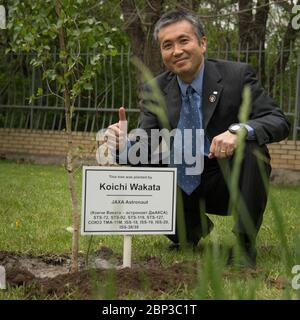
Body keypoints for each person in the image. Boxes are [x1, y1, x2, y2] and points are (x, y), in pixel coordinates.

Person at [105, 9, 290, 267]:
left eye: (184, 41)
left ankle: (244, 246)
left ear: (202, 43)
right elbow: (146, 145)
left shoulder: (237, 76)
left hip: (225, 177)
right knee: (144, 161)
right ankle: (189, 233)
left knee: (253, 150)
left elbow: (278, 120)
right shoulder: (155, 89)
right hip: (182, 174)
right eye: (167, 45)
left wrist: (239, 131)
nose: (176, 51)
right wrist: (123, 146)